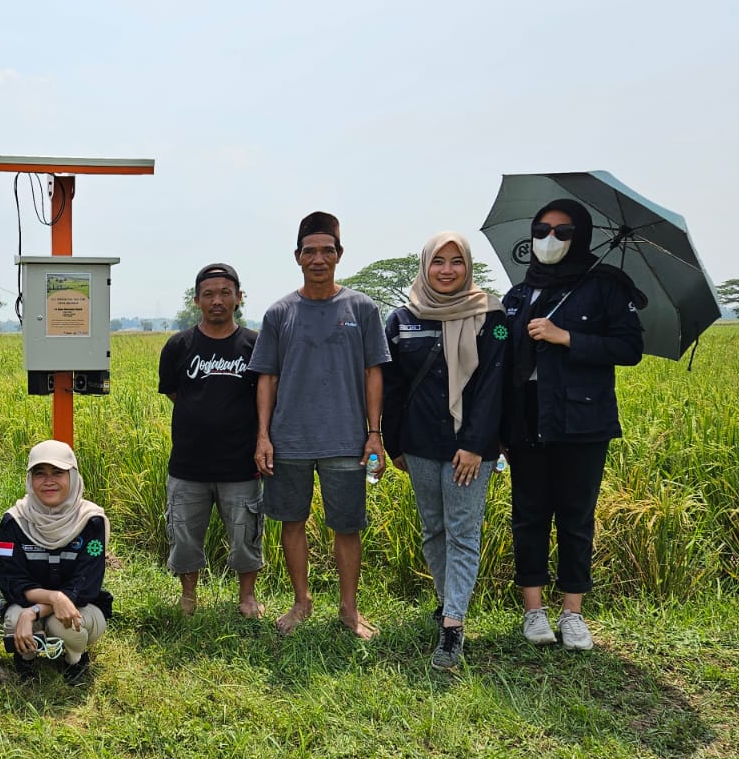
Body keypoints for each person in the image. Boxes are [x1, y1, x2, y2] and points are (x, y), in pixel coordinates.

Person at [502, 199, 645, 651]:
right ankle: (533, 611)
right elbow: (500, 341)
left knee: (576, 517)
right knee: (528, 514)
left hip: (583, 421)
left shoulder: (605, 287)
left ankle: (573, 614)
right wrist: (498, 327)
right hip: (527, 420)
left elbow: (629, 348)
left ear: (580, 236)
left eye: (562, 232)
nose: (550, 240)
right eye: (542, 230)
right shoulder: (520, 294)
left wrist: (567, 337)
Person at [251, 211, 390, 639]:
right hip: (289, 438)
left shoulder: (362, 309)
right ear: (297, 257)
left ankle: (349, 609)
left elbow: (373, 372)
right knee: (291, 522)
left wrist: (374, 434)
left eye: (326, 250)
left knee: (347, 525)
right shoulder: (279, 313)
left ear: (339, 254)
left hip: (346, 438)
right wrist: (263, 435)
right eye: (309, 251)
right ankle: (302, 601)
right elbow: (267, 377)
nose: (318, 258)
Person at [382, 232, 507, 670]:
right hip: (418, 444)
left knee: (462, 531)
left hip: (470, 449)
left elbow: (494, 385)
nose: (448, 269)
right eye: (439, 261)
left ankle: (453, 625)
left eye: (457, 261)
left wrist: (474, 445)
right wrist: (392, 442)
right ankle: (446, 601)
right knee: (433, 530)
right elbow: (393, 386)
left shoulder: (491, 316)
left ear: (468, 266)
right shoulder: (402, 319)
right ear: (425, 266)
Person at [156, 261, 265, 618]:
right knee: (185, 535)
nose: (217, 300)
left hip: (241, 465)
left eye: (225, 293)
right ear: (197, 300)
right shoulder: (178, 345)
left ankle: (246, 597)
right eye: (208, 294)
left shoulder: (255, 345)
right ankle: (189, 596)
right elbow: (174, 392)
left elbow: (266, 397)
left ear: (238, 297)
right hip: (189, 464)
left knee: (246, 535)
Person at [0, 440, 112, 684]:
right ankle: (26, 658)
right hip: (28, 603)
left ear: (72, 476)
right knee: (15, 618)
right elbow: (10, 581)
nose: (48, 481)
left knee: (65, 626)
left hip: (80, 606)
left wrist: (37, 611)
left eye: (57, 472)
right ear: (30, 479)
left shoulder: (91, 521)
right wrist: (53, 599)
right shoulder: (14, 521)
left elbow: (86, 584)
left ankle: (75, 660)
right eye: (40, 473)